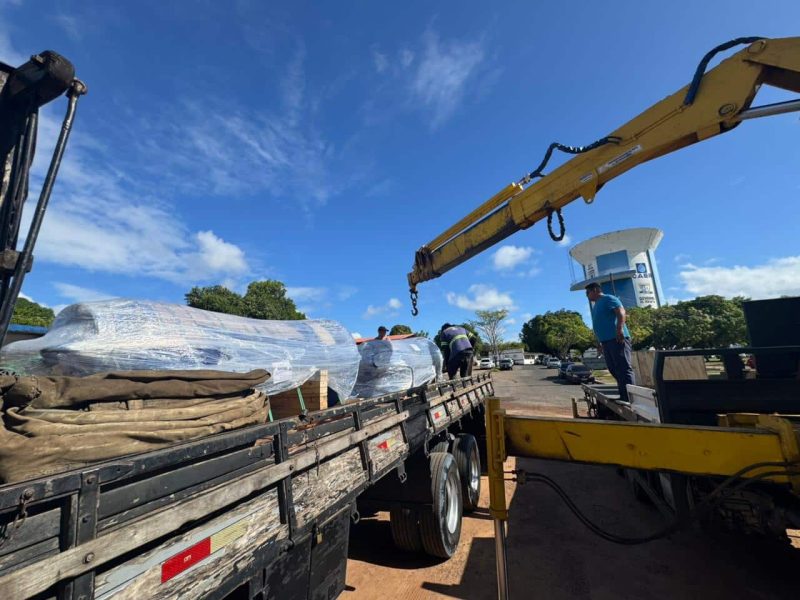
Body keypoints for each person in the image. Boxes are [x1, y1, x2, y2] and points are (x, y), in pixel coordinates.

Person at [585, 283, 635, 402]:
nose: (587, 296)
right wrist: (599, 342)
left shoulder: (609, 298)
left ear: (596, 290)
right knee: (613, 368)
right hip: (606, 341)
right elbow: (599, 324)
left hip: (617, 338)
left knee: (623, 367)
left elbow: (621, 312)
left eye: (588, 293)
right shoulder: (596, 305)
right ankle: (624, 394)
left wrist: (619, 329)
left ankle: (630, 397)